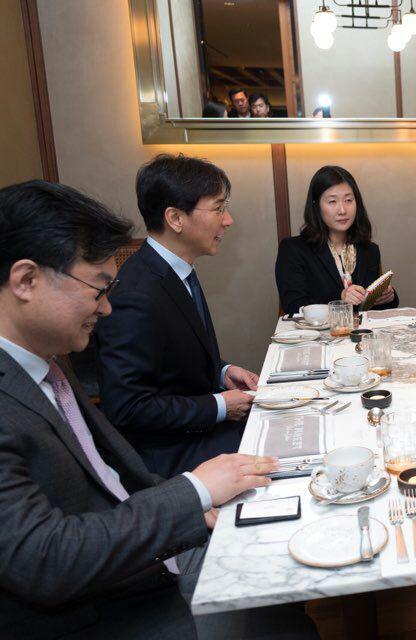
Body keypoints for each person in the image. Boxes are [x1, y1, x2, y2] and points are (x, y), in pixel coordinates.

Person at [0, 179, 281, 638]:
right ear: (26, 280)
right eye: (97, 290)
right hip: (109, 608)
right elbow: (46, 560)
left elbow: (112, 478)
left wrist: (197, 510)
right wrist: (193, 495)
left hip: (143, 548)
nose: (108, 308)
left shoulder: (44, 360)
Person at [96, 154, 258, 478]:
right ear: (175, 218)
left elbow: (172, 362)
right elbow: (127, 407)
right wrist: (220, 406)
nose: (228, 220)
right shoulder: (135, 293)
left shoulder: (174, 271)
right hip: (170, 455)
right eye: (218, 208)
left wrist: (221, 371)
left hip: (194, 432)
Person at [275, 165, 399, 315]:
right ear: (316, 206)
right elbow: (293, 307)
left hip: (359, 336)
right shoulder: (293, 249)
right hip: (315, 337)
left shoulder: (369, 250)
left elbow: (369, 311)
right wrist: (340, 299)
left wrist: (387, 297)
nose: (342, 210)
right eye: (332, 202)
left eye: (348, 200)